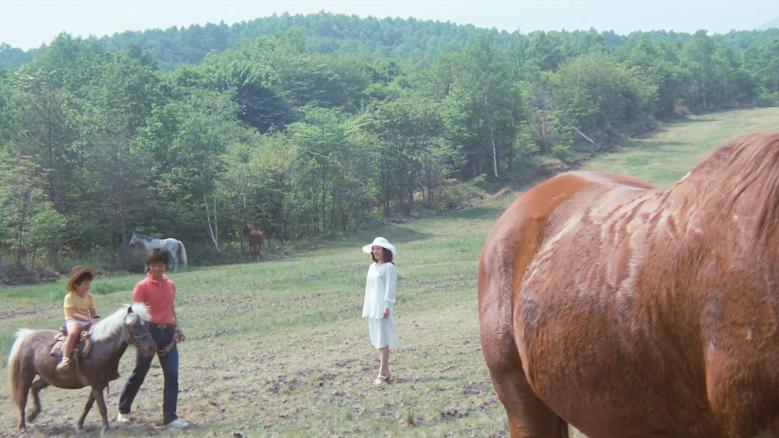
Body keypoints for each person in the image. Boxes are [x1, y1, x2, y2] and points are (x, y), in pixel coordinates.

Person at [117, 249, 188, 429]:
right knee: (140, 372)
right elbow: (135, 316)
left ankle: (170, 418)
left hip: (168, 333)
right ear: (149, 266)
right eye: (153, 265)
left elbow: (171, 307)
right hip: (149, 334)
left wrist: (176, 326)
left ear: (165, 265)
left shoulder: (171, 284)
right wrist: (141, 338)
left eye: (160, 264)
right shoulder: (142, 287)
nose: (157, 268)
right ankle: (123, 410)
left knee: (172, 375)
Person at [361, 236, 399, 386]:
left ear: (385, 250)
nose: (376, 251)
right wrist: (367, 308)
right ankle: (386, 372)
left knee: (383, 339)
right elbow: (369, 289)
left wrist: (387, 307)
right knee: (377, 339)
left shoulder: (389, 268)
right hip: (373, 307)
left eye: (378, 249)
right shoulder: (372, 267)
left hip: (382, 307)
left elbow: (390, 289)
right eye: (374, 249)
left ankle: (382, 372)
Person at [56, 266, 98, 373]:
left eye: (89, 283)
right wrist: (88, 319)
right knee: (73, 332)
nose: (88, 286)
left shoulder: (90, 297)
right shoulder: (69, 297)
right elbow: (73, 314)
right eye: (85, 284)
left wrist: (95, 318)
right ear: (76, 285)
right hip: (73, 320)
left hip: (87, 321)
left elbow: (93, 313)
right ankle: (65, 359)